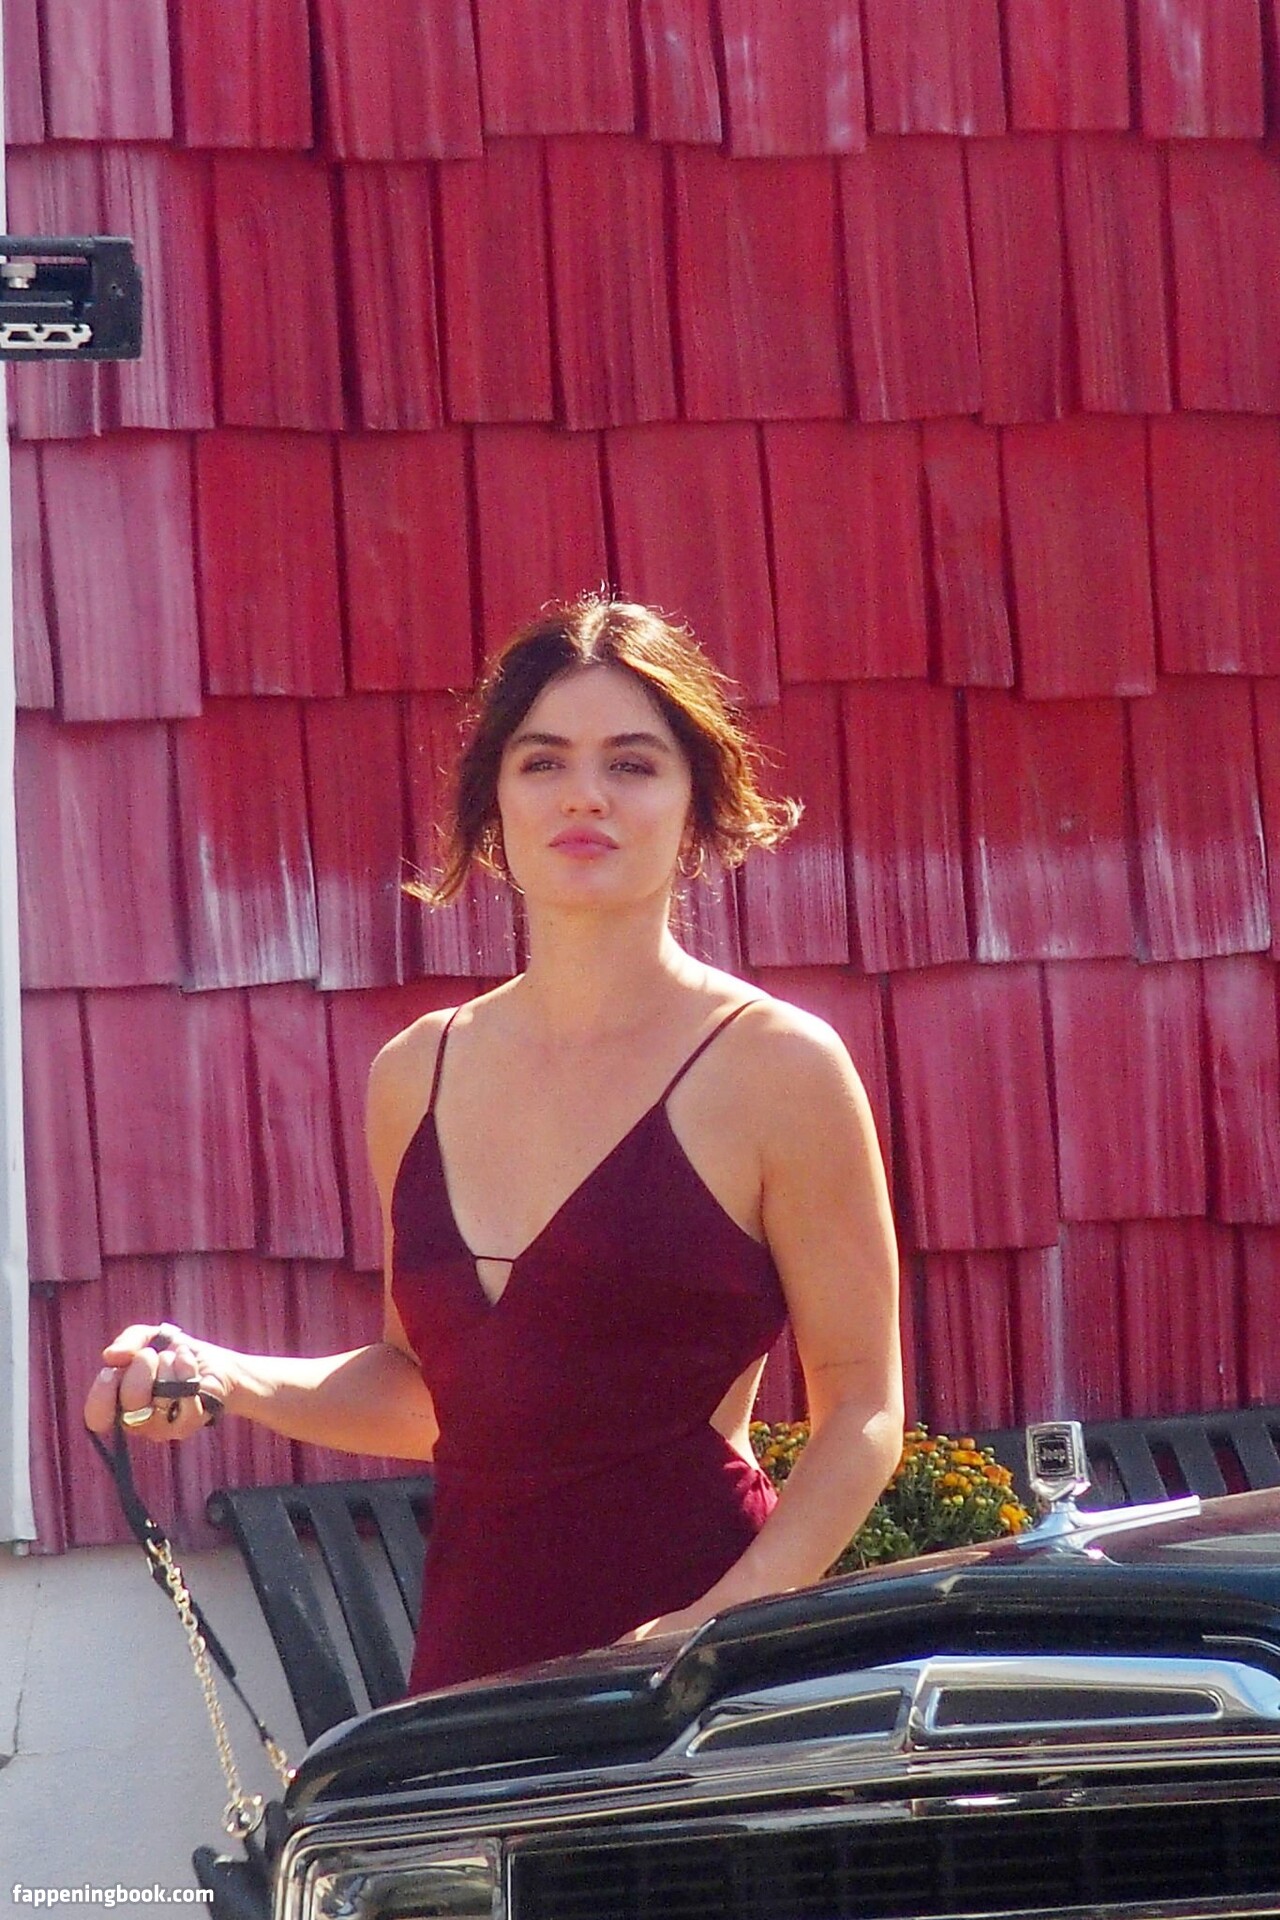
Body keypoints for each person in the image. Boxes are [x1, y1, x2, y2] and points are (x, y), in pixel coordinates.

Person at [85, 595, 903, 1693]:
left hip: (702, 1683)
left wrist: (711, 1629)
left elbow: (862, 1408)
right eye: (542, 761)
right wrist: (220, 1373)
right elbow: (435, 1391)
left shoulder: (778, 1066)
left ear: (696, 802)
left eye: (632, 764)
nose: (584, 795)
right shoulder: (415, 1072)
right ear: (493, 801)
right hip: (471, 1673)